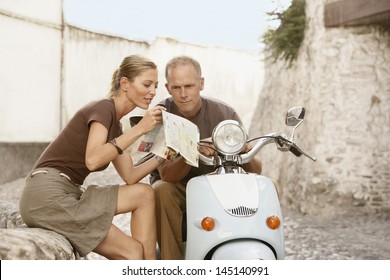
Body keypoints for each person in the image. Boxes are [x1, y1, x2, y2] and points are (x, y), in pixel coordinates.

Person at [19, 55, 167, 260]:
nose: (153, 92)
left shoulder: (115, 124)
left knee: (143, 193)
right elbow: (93, 159)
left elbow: (130, 175)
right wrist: (140, 129)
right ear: (125, 83)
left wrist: (163, 155)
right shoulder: (103, 108)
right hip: (46, 197)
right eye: (147, 84)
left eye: (156, 86)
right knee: (132, 252)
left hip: (69, 193)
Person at [150, 56, 262, 260]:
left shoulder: (225, 113)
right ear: (167, 88)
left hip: (218, 184)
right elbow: (167, 175)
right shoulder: (160, 117)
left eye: (189, 86)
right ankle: (172, 265)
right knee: (160, 190)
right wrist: (193, 150)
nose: (183, 94)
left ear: (201, 83)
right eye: (176, 88)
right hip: (179, 187)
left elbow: (256, 170)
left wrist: (246, 151)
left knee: (265, 185)